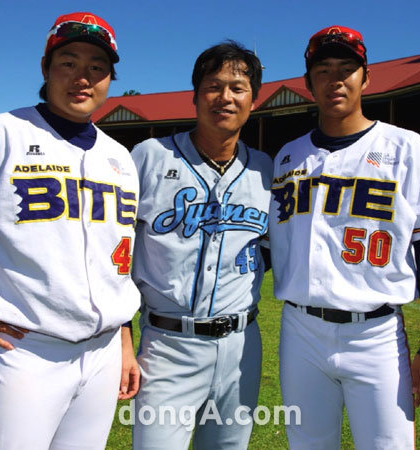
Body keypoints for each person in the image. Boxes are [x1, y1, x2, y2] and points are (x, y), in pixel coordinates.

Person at [0, 12, 140, 449]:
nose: (83, 77)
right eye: (69, 62)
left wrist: (123, 339)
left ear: (109, 80)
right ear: (46, 69)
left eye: (97, 67)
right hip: (28, 353)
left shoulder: (120, 156)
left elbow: (117, 259)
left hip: (104, 355)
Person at [269, 25, 420, 449]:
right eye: (324, 69)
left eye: (348, 68)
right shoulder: (287, 156)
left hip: (376, 332)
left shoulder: (406, 147)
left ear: (366, 78)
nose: (336, 79)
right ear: (309, 83)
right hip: (300, 329)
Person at [128, 41, 272, 449]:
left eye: (238, 87)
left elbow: (269, 249)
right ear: (194, 95)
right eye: (213, 85)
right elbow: (115, 251)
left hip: (242, 345)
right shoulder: (149, 157)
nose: (225, 96)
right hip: (168, 343)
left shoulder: (264, 168)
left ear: (253, 100)